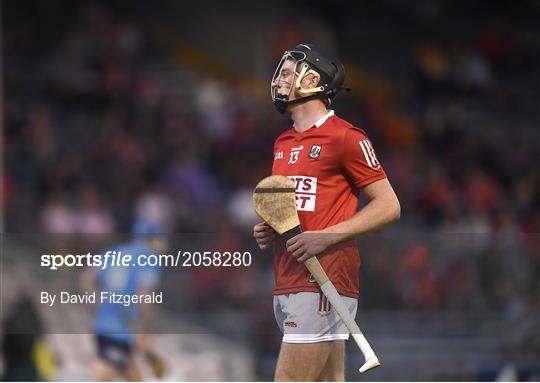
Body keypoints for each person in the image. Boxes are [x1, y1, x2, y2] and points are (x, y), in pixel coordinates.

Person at [253, 43, 401, 381]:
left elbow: (389, 205)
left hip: (323, 279)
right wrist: (272, 228)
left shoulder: (346, 137)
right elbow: (304, 208)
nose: (278, 82)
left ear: (312, 80)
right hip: (288, 276)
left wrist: (325, 237)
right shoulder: (283, 143)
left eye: (288, 74)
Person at [81, 218, 167, 381]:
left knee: (133, 375)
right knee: (103, 373)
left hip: (102, 325)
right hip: (121, 331)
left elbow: (85, 278)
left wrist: (98, 304)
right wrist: (146, 327)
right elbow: (144, 295)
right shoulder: (149, 257)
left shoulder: (112, 252)